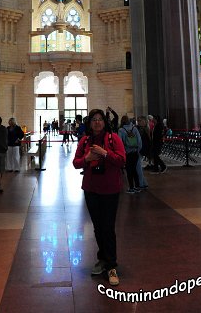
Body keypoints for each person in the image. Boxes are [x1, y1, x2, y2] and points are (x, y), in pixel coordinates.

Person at [73, 109, 125, 286]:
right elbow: (76, 163)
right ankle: (102, 258)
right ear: (89, 123)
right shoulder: (85, 140)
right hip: (91, 189)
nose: (97, 122)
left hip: (110, 189)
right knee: (97, 227)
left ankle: (111, 265)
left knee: (108, 227)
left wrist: (104, 153)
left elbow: (121, 160)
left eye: (100, 119)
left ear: (105, 122)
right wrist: (87, 158)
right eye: (94, 120)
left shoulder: (113, 138)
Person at [118, 115, 142, 193]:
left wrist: (122, 152)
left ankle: (131, 187)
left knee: (129, 170)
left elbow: (120, 143)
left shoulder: (121, 130)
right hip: (135, 152)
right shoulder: (134, 128)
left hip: (127, 153)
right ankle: (137, 187)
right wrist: (138, 150)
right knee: (134, 169)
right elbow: (139, 140)